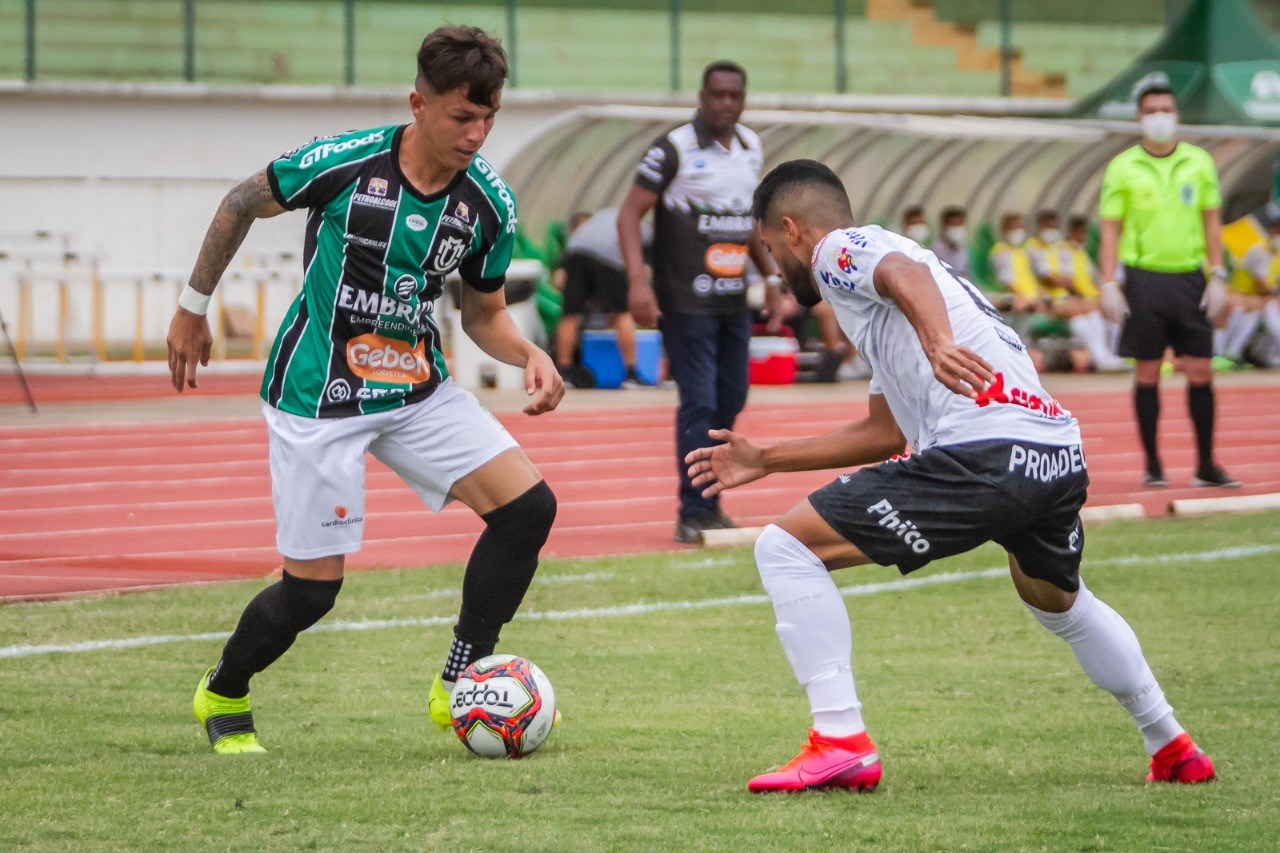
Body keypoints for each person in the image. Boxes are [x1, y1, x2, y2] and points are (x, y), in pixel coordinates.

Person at [686, 159, 1215, 793]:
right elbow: (886, 434)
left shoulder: (840, 250)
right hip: (1054, 456)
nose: (774, 265)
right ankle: (1172, 744)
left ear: (793, 230)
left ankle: (840, 741)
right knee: (1058, 602)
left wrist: (937, 342)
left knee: (785, 549)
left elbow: (901, 275)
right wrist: (767, 459)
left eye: (771, 248)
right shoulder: (882, 310)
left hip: (985, 455)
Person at [166, 26, 564, 755]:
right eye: (460, 117)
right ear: (419, 104)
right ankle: (223, 688)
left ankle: (458, 678)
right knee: (312, 592)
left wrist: (528, 353)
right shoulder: (344, 163)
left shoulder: (488, 206)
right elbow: (239, 202)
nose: (476, 134)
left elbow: (484, 315)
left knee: (527, 508)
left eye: (489, 118)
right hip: (317, 394)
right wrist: (192, 309)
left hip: (415, 389)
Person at [618, 60, 782, 544]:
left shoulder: (751, 146)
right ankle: (694, 510)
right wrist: (637, 281)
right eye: (717, 95)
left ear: (744, 99)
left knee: (732, 399)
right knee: (701, 402)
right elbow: (630, 215)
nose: (725, 104)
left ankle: (709, 502)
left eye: (735, 96)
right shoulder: (673, 148)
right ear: (701, 96)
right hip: (685, 300)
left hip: (733, 299)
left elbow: (749, 219)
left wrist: (770, 274)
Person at [1097, 82, 1239, 489]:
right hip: (1144, 278)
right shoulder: (1123, 167)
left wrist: (1217, 273)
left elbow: (1212, 222)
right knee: (1146, 371)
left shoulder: (1199, 162)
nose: (1160, 116)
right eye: (1152, 109)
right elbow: (1110, 229)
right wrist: (1109, 282)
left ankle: (1206, 464)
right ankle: (1154, 465)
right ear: (1140, 117)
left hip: (1190, 277)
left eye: (1167, 108)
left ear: (1176, 114)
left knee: (1200, 369)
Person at [552, 208, 654, 388]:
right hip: (608, 257)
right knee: (622, 312)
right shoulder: (643, 228)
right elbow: (644, 270)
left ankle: (564, 373)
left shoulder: (601, 217)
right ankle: (631, 373)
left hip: (575, 254)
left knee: (570, 314)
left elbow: (560, 276)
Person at [1027, 210, 1122, 372]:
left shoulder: (1070, 251)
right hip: (1050, 301)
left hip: (1069, 301)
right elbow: (1052, 279)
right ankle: (1103, 356)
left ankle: (1104, 357)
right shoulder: (1036, 249)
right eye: (1048, 226)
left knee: (1084, 319)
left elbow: (1075, 280)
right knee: (1095, 310)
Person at [1218, 218, 1280, 368]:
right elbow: (1263, 286)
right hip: (1241, 295)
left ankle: (1235, 353)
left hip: (1254, 298)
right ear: (1272, 231)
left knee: (1265, 307)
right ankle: (1228, 353)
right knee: (1265, 308)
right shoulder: (1260, 251)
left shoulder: (1275, 253)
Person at [929, 205, 969, 279]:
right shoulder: (937, 249)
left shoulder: (963, 248)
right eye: (953, 224)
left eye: (959, 224)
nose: (957, 228)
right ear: (944, 226)